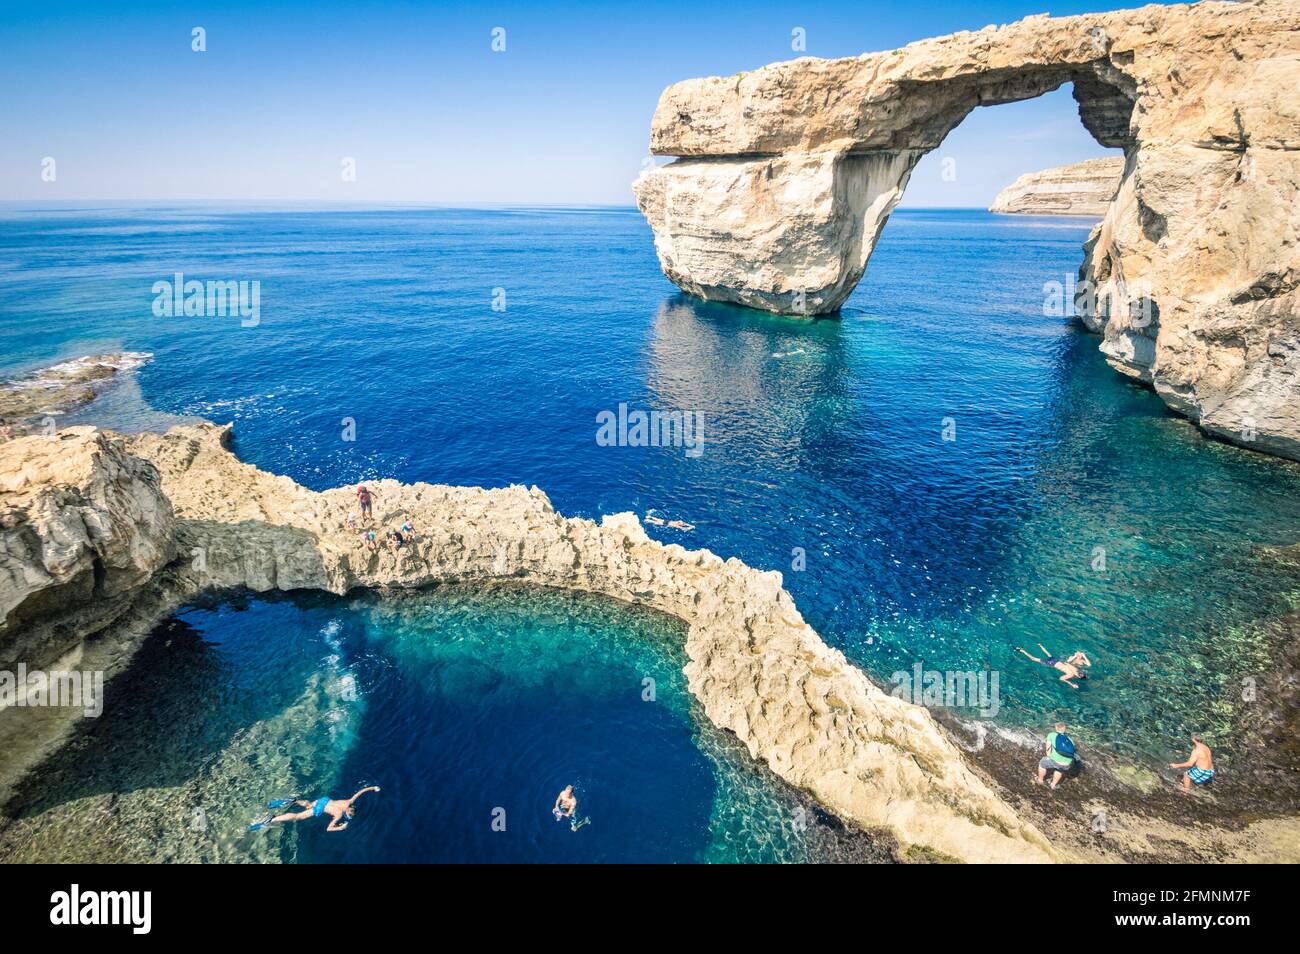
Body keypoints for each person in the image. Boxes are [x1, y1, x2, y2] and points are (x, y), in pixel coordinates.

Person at [250, 786, 381, 832]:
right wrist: (340, 828)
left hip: (324, 800)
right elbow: (329, 829)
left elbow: (360, 792)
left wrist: (373, 788)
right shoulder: (339, 816)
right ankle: (272, 819)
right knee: (298, 817)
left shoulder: (348, 801)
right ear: (347, 813)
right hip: (320, 808)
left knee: (308, 805)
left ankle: (294, 800)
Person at [1016, 642, 1088, 689]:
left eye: (1082, 674)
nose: (1082, 673)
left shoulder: (1075, 671)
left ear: (1081, 675)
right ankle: (1022, 650)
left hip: (1055, 661)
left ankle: (1040, 645)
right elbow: (1061, 678)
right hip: (1052, 663)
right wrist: (1071, 684)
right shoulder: (1072, 674)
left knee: (1047, 653)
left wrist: (1071, 684)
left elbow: (1067, 664)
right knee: (1033, 659)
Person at [1037, 722, 1076, 790]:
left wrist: (1049, 756)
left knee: (1042, 763)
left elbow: (1048, 750)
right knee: (1059, 769)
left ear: (1056, 728)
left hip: (1057, 761)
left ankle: (1040, 780)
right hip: (1067, 764)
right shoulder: (1070, 740)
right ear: (1064, 729)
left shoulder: (1051, 735)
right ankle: (1053, 785)